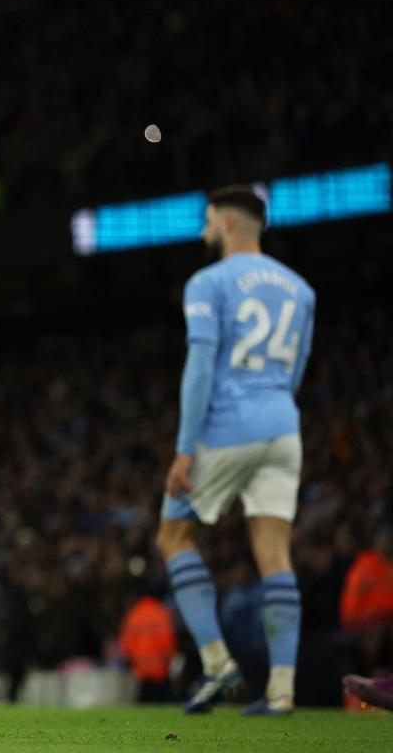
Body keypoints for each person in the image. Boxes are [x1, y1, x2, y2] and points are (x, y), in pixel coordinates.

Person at [154, 186, 315, 717]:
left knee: (173, 535)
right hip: (283, 426)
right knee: (275, 554)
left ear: (227, 224)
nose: (202, 233)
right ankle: (283, 691)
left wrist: (184, 450)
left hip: (228, 425)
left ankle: (218, 662)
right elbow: (295, 373)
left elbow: (200, 368)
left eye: (205, 222)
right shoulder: (301, 290)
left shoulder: (208, 282)